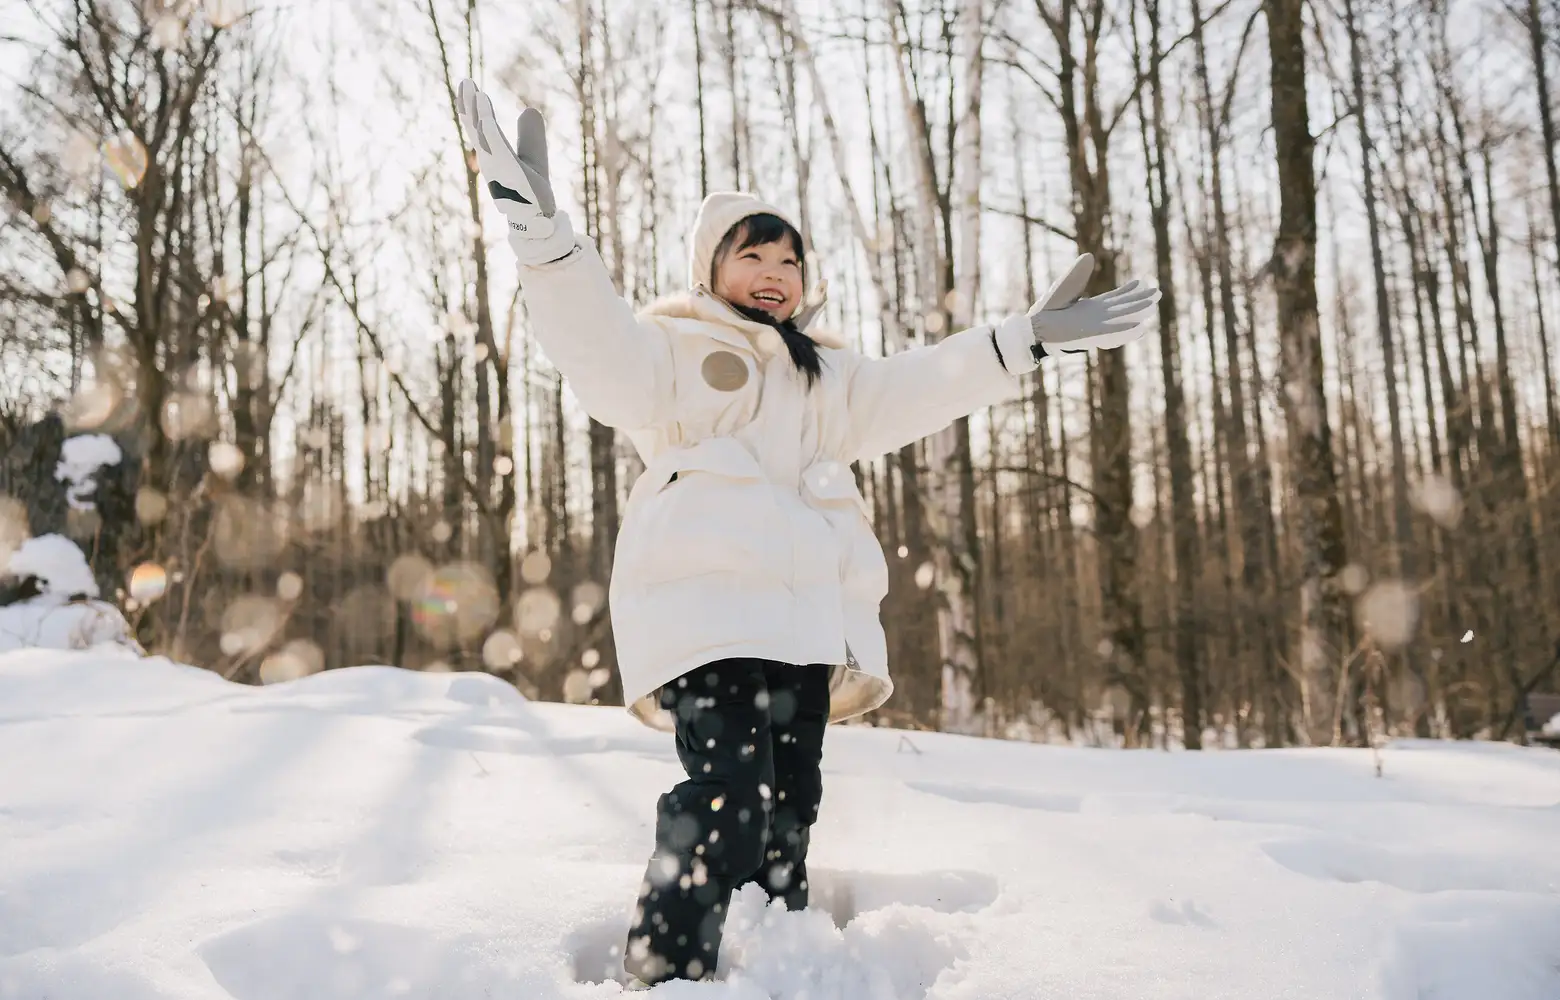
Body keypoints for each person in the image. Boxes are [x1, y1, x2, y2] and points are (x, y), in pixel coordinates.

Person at [454, 81, 1159, 987]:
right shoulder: (668, 355)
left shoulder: (823, 379)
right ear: (711, 270)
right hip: (711, 626)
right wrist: (544, 235)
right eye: (754, 254)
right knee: (727, 804)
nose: (776, 270)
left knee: (791, 813)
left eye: (790, 258)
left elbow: (918, 384)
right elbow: (595, 343)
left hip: (804, 638)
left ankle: (782, 965)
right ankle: (663, 969)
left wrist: (1022, 340)